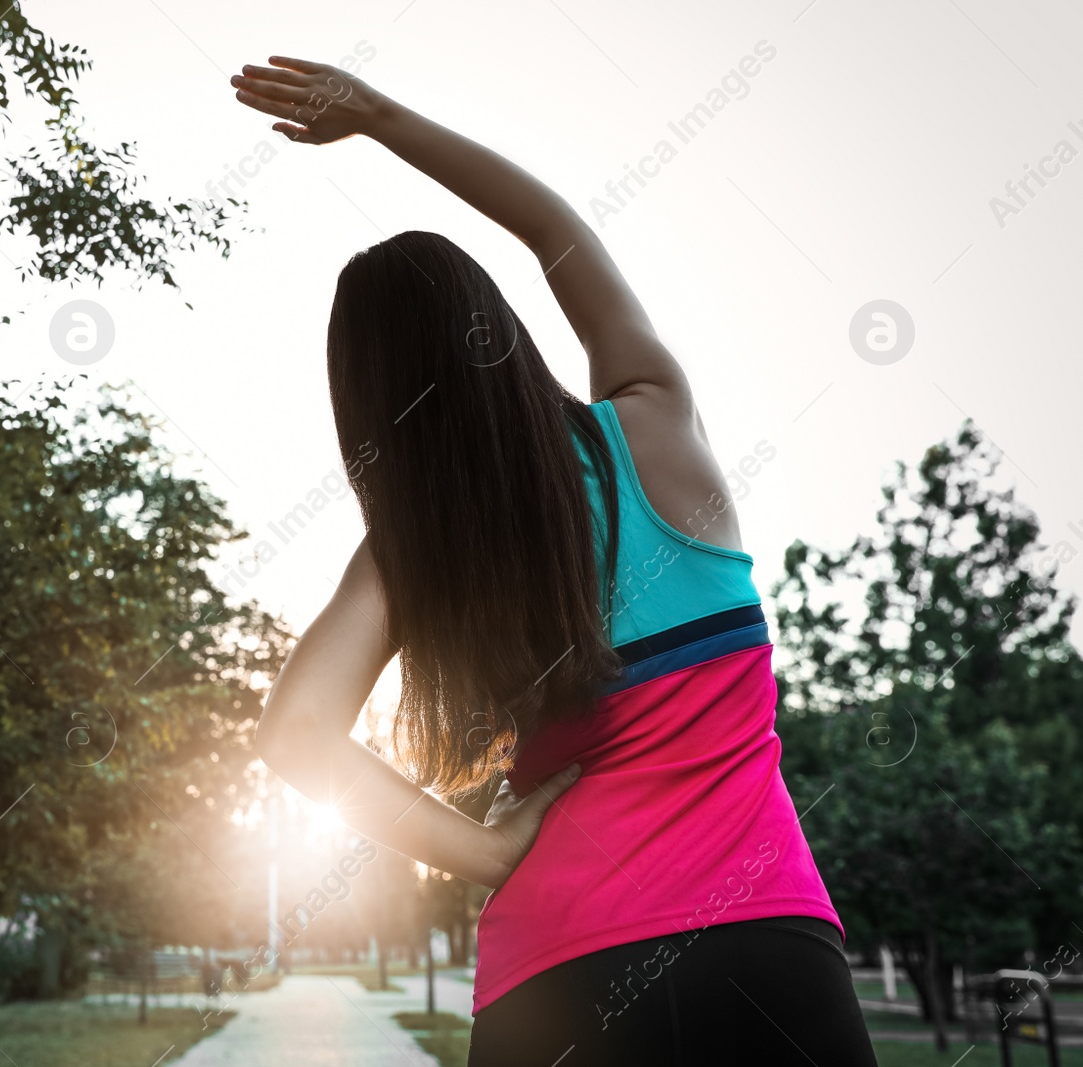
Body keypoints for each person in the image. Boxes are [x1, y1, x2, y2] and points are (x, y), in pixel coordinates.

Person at [233, 56, 878, 1066]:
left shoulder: (408, 557)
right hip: (764, 949)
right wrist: (380, 116)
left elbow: (295, 732)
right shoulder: (655, 423)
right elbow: (554, 229)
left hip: (557, 982)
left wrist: (482, 848)